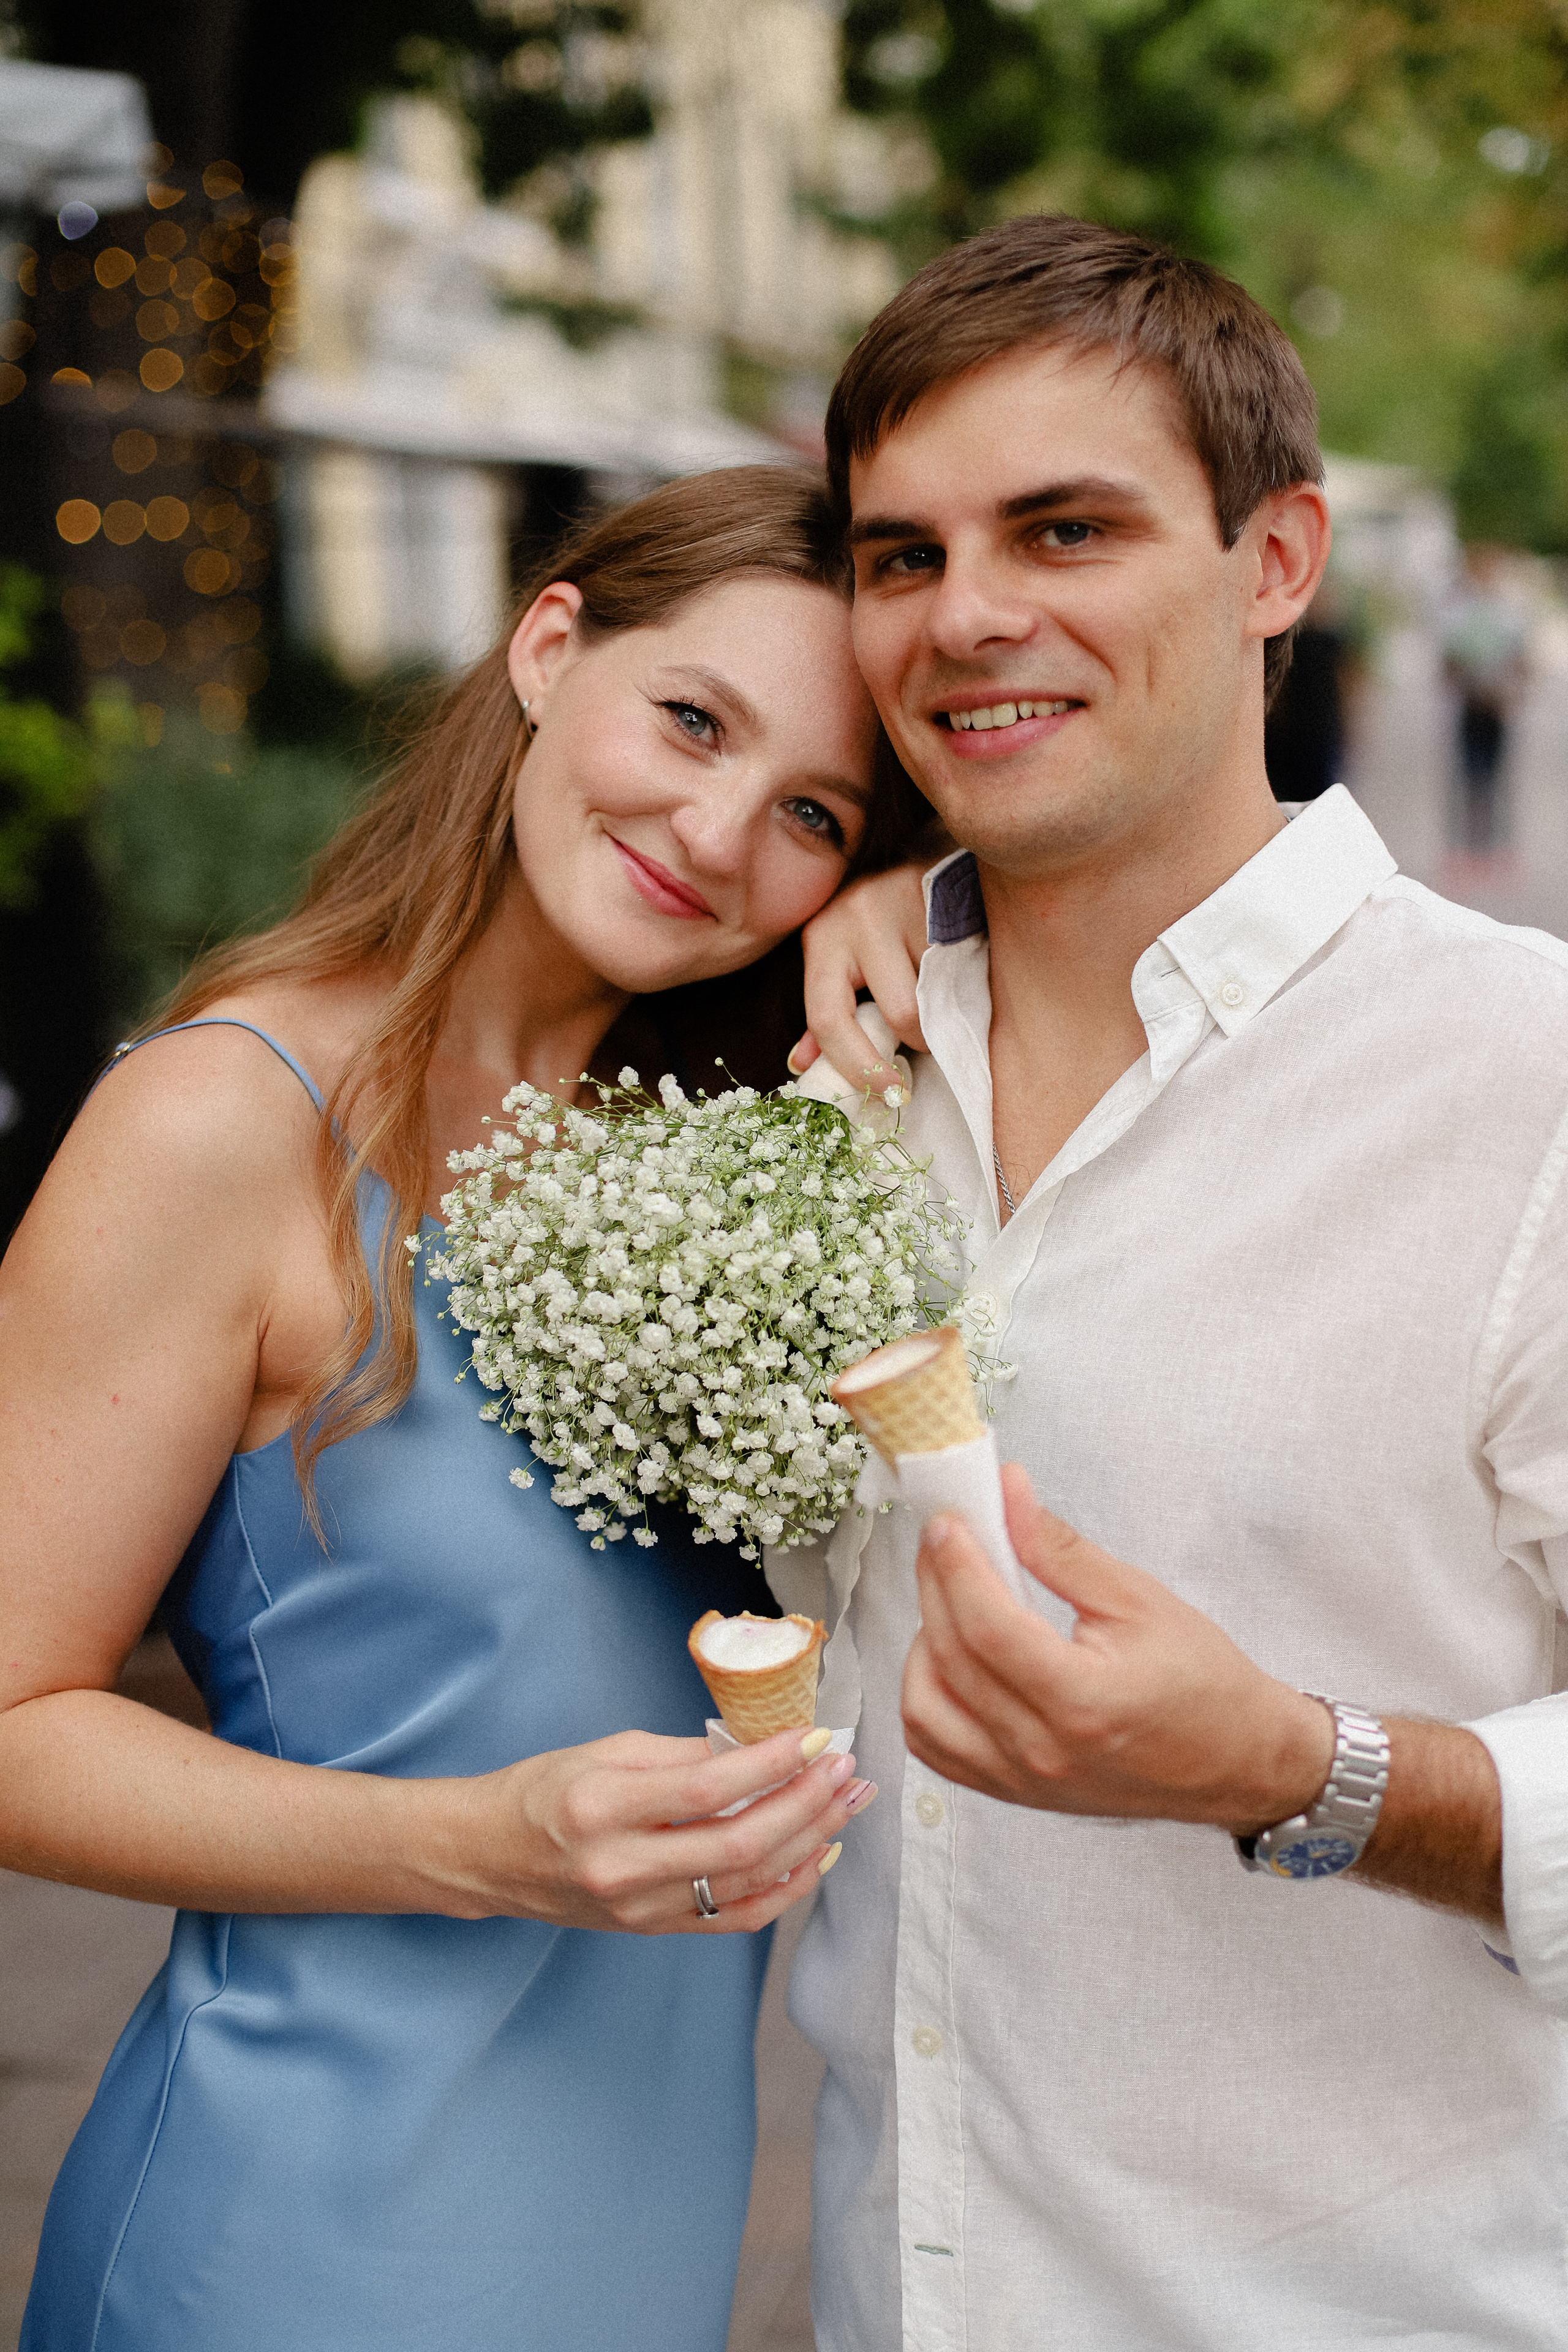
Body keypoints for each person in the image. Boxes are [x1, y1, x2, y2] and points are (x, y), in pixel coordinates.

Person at [0, 466, 928, 2352]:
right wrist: (482, 1840)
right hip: (295, 2245)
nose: (719, 826)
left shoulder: (731, 1167)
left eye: (813, 812)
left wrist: (937, 896)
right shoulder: (224, 1125)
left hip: (645, 2240)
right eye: (691, 719)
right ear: (548, 642)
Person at [782, 217, 1568, 2351]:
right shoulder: (811, 1087)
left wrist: (1294, 1767)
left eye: (1066, 528)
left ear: (1278, 558)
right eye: (900, 556)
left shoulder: (1532, 1086)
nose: (973, 618)